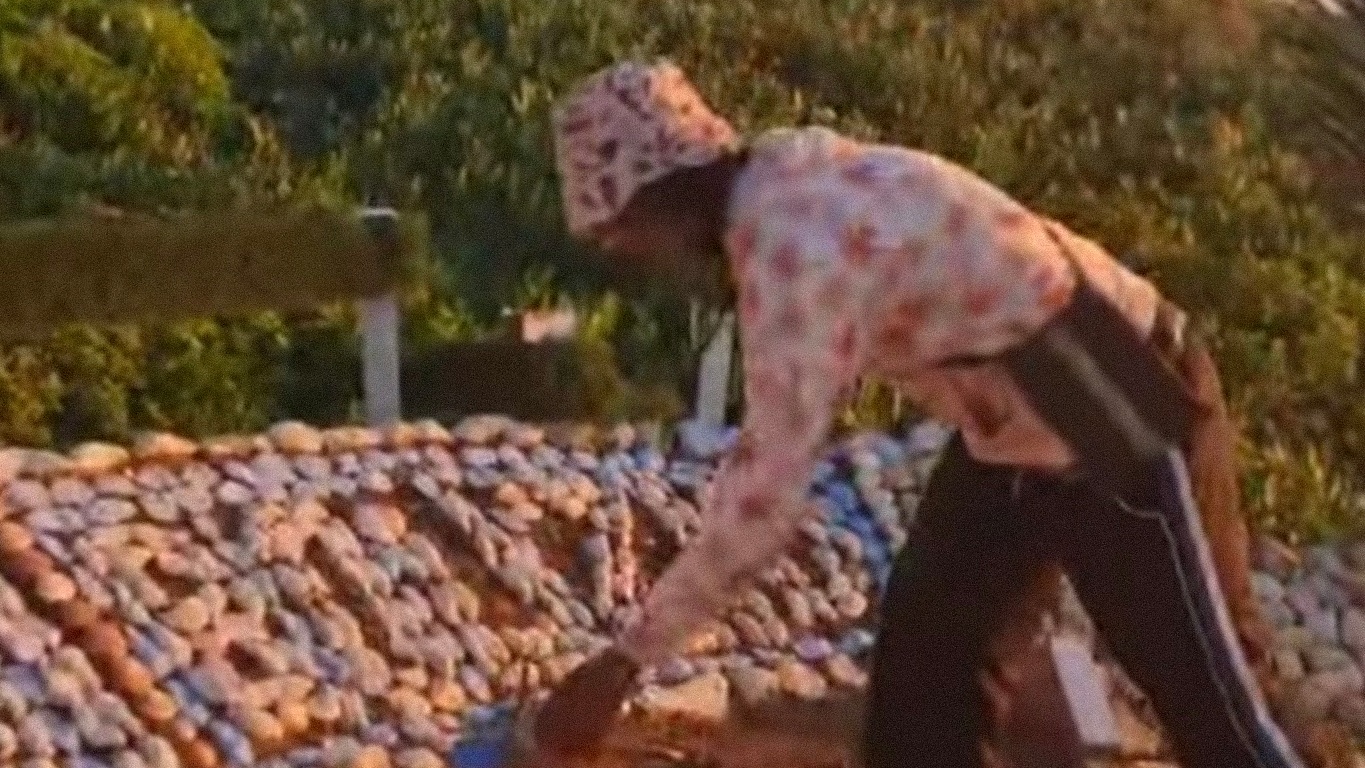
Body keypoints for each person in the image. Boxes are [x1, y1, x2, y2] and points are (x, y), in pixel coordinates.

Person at [520, 59, 1353, 768]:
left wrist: (625, 663)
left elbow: (766, 494)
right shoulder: (781, 178)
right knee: (931, 660)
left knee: (1209, 692)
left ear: (659, 194)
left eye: (617, 233)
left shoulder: (792, 253)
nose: (627, 256)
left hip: (1105, 381)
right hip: (1014, 409)